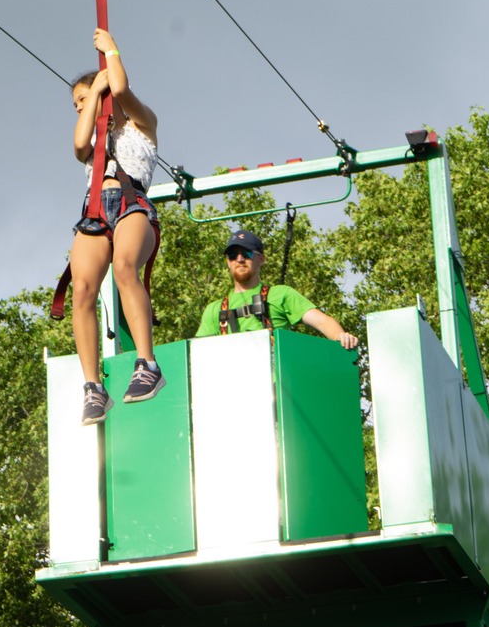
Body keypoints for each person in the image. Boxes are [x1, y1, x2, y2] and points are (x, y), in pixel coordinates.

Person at [68, 28, 164, 424]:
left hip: (131, 203)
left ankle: (147, 363)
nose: (80, 107)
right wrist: (91, 101)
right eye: (76, 103)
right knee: (83, 291)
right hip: (95, 210)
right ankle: (93, 386)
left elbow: (122, 91)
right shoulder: (93, 141)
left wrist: (111, 53)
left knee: (125, 268)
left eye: (85, 99)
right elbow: (77, 147)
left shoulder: (142, 125)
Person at [196, 229, 357, 347]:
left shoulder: (281, 294)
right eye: (233, 255)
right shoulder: (214, 310)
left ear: (261, 259)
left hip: (275, 389)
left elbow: (322, 321)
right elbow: (196, 352)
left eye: (247, 254)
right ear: (228, 262)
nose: (239, 259)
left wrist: (341, 338)